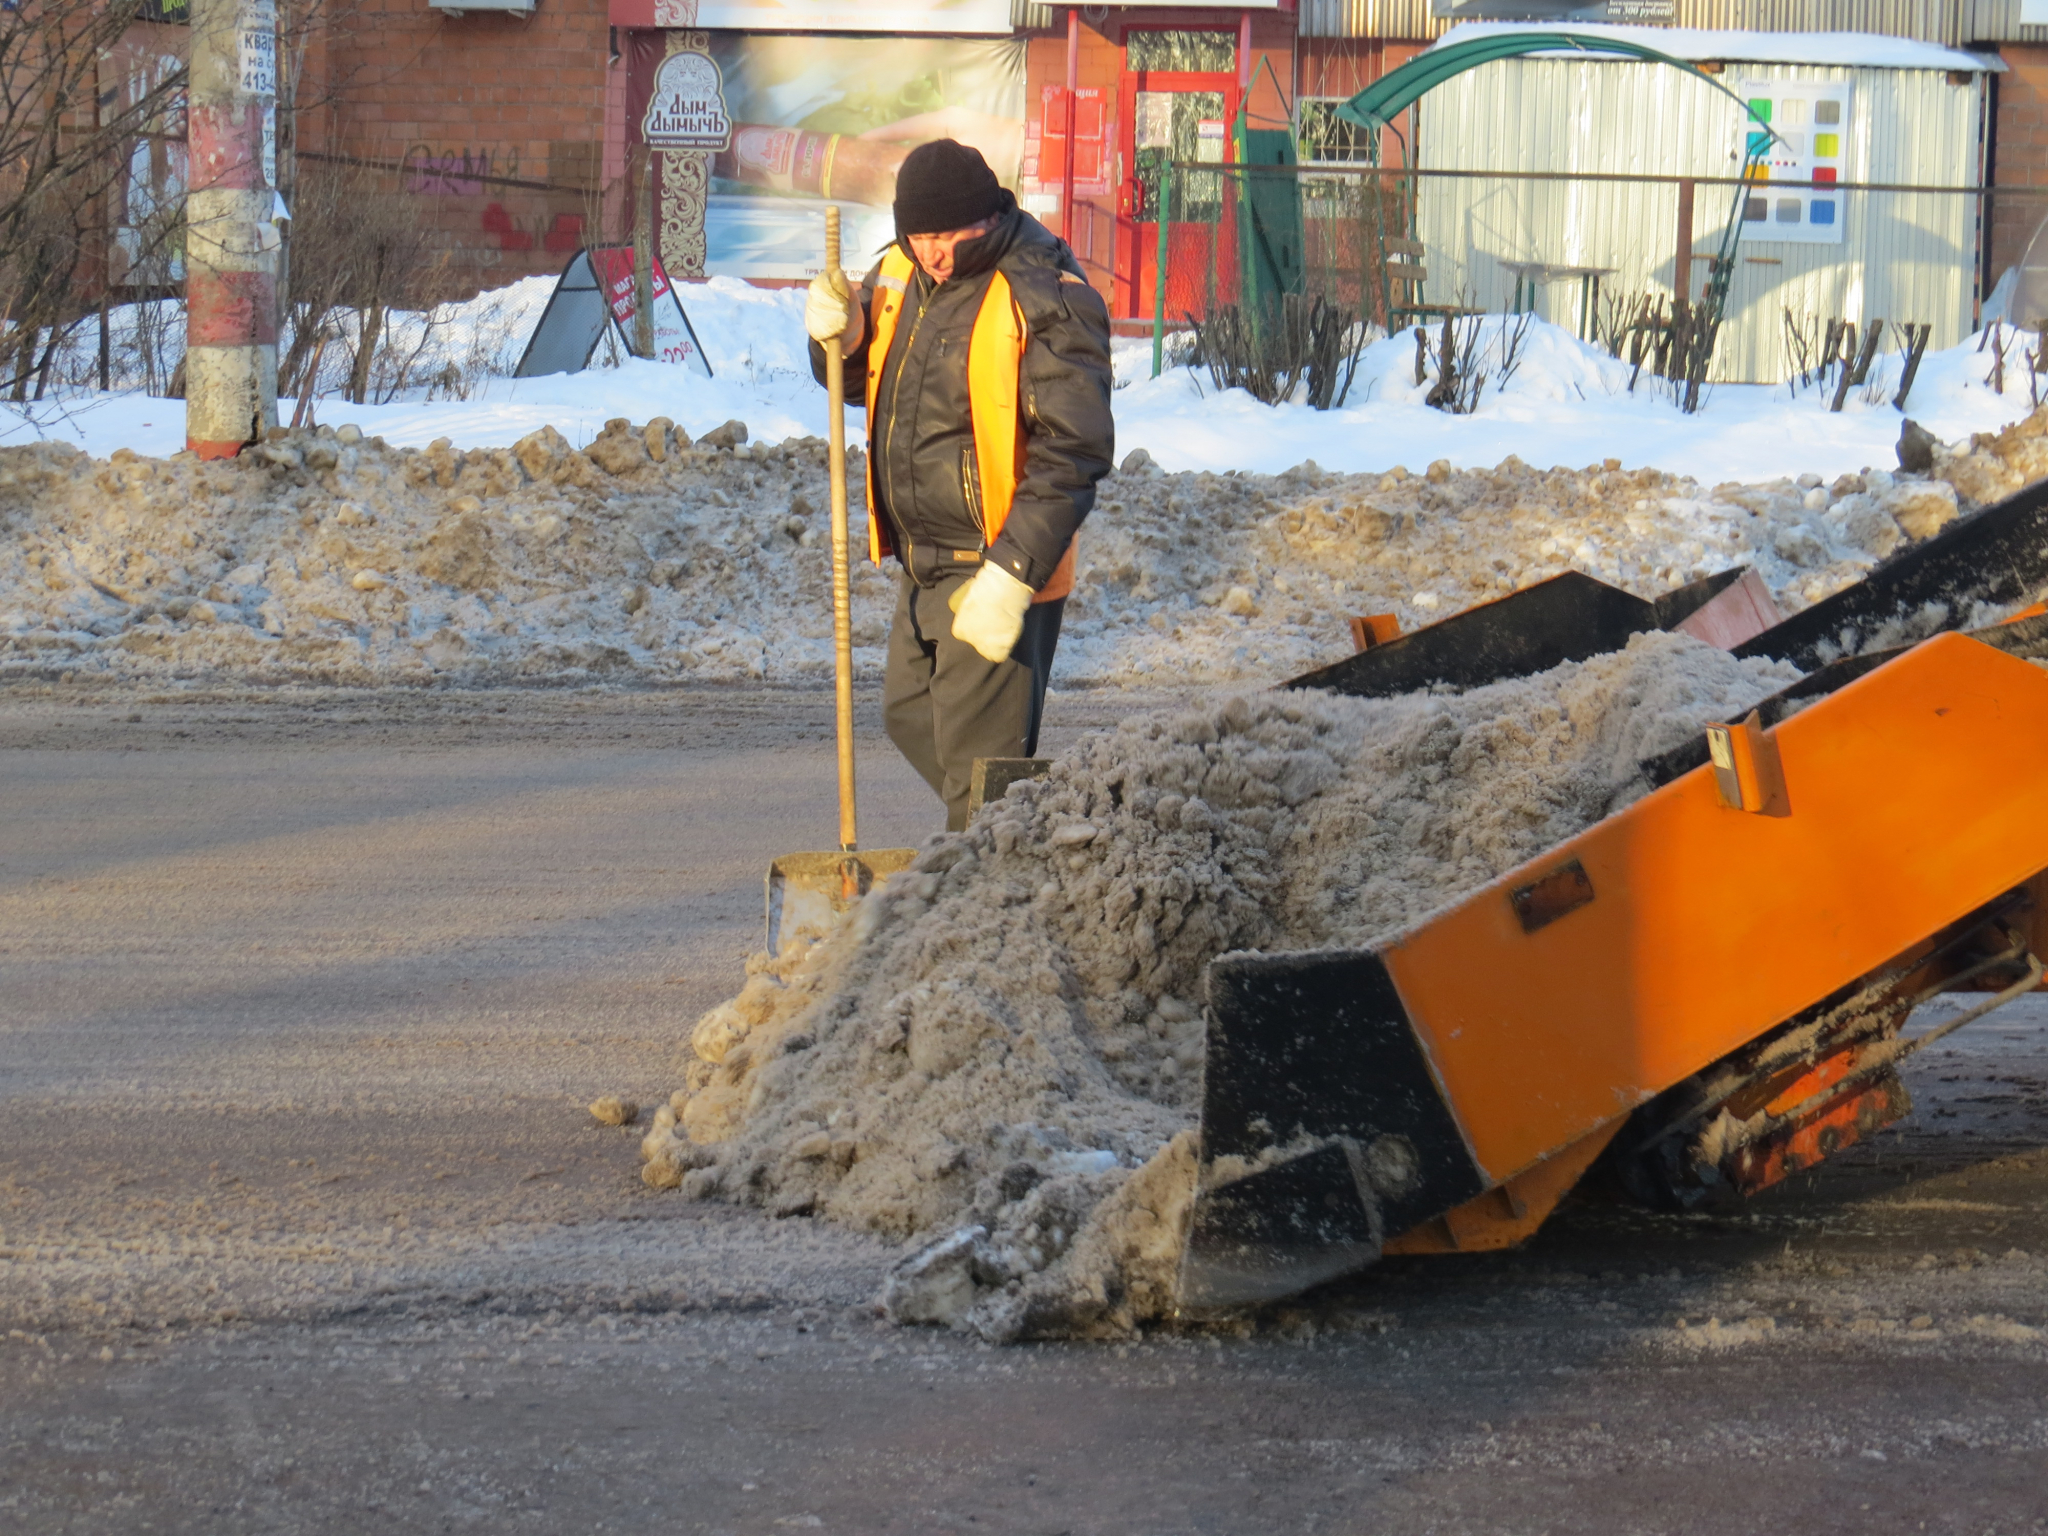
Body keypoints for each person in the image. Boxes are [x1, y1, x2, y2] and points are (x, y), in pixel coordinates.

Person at [806, 138, 1113, 831]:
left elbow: (1077, 449)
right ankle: (1030, 834)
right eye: (919, 235)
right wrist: (841, 339)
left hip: (996, 562)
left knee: (977, 778)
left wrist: (1013, 573)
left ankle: (986, 901)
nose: (933, 253)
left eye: (947, 235)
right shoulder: (898, 272)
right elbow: (857, 384)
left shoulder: (1043, 294)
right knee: (910, 716)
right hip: (924, 559)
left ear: (988, 217)